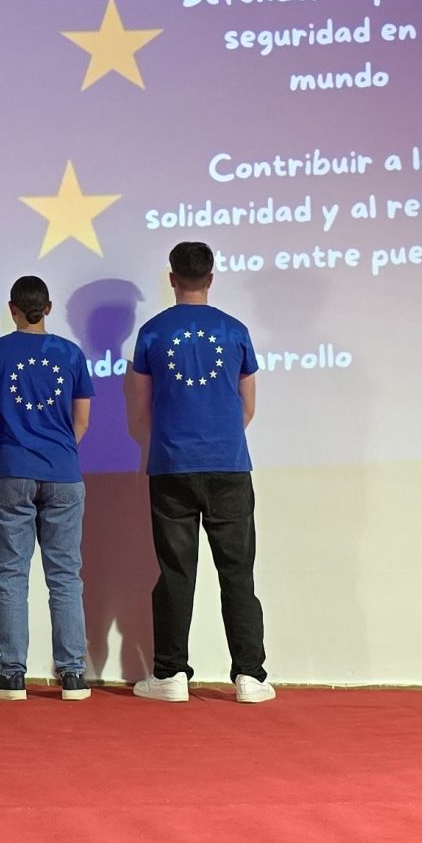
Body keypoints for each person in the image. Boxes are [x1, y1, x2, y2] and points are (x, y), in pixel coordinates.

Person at [124, 241, 274, 704]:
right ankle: (250, 676)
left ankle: (170, 674)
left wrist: (180, 436)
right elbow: (247, 406)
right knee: (238, 573)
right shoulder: (235, 330)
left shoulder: (151, 333)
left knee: (175, 572)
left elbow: (142, 411)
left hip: (172, 464)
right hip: (229, 465)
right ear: (211, 278)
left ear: (172, 278)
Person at [0, 275, 94, 702]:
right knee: (65, 575)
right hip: (63, 472)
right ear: (48, 307)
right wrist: (56, 452)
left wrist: (8, 452)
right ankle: (73, 675)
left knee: (10, 573)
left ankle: (12, 675)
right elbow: (82, 421)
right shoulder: (71, 353)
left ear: (12, 309)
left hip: (11, 469)